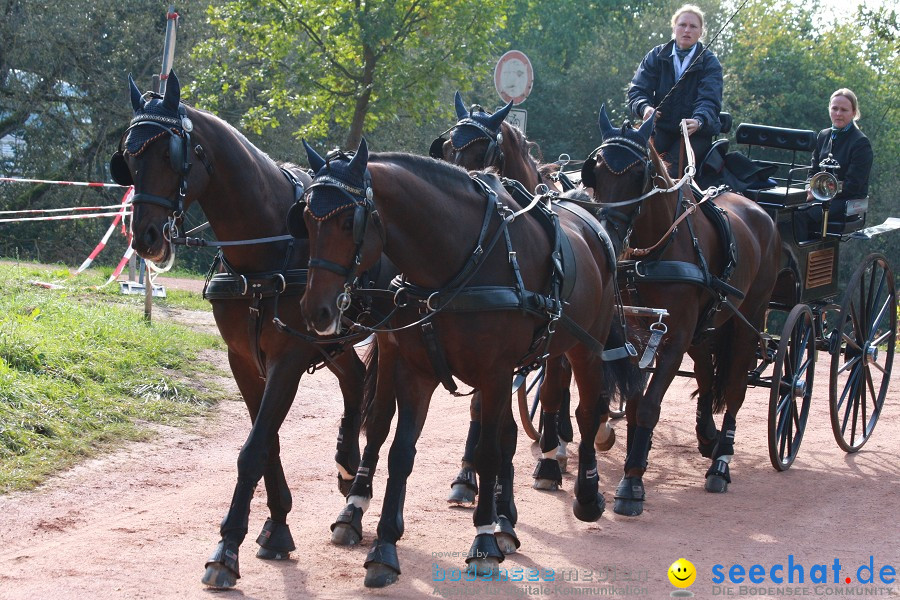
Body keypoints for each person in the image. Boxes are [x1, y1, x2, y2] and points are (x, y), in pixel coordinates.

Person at [627, 4, 723, 176]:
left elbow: (710, 100)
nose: (687, 30)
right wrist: (644, 107)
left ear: (701, 32)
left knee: (668, 171)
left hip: (694, 135)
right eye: (682, 25)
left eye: (693, 26)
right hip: (661, 129)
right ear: (674, 28)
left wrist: (699, 120)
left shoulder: (710, 63)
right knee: (631, 163)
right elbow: (637, 91)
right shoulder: (655, 55)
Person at [807, 88, 873, 221]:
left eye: (844, 110)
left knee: (802, 215)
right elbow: (813, 171)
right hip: (819, 196)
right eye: (834, 108)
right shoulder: (823, 135)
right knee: (785, 209)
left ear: (854, 113)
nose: (838, 113)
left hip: (847, 202)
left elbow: (853, 185)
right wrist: (809, 188)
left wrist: (821, 192)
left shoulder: (861, 142)